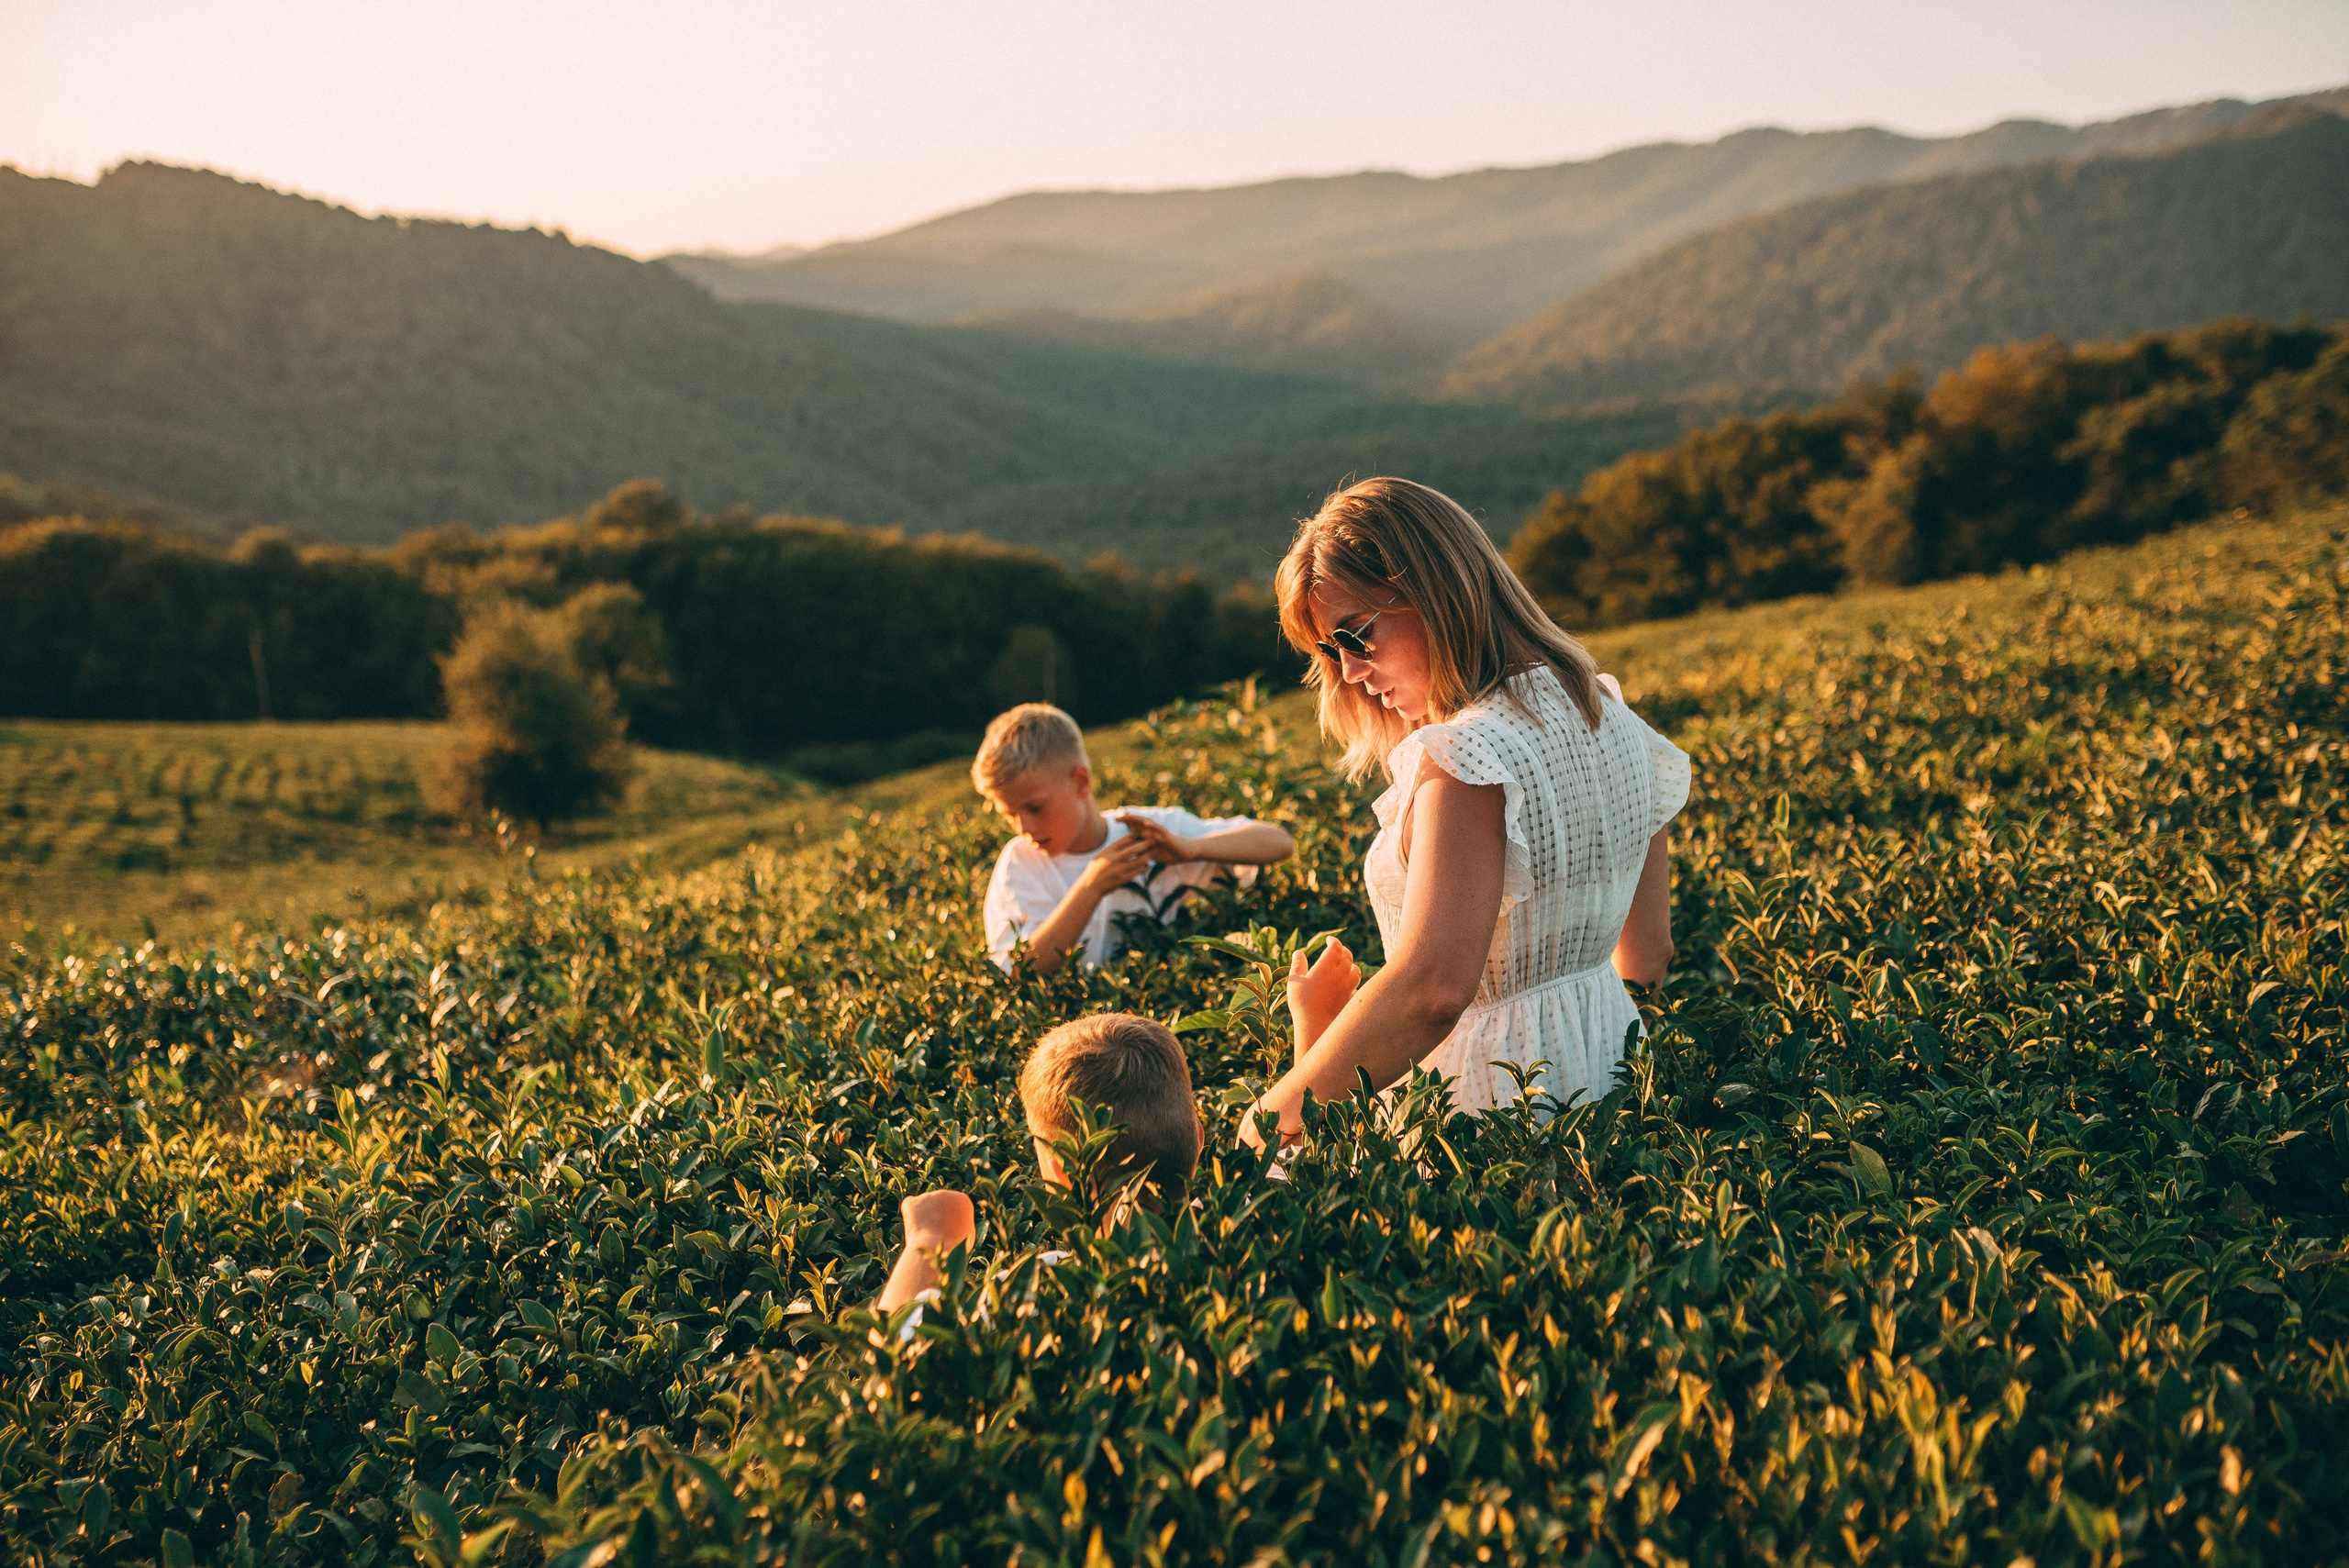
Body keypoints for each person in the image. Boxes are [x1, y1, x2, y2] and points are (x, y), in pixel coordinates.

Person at [1241, 477, 1688, 1149]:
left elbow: (1433, 991)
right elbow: (1648, 955)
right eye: (1332, 654)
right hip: (1611, 1079)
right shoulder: (1615, 718)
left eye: (1356, 637)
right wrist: (1606, 1067)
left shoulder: (1467, 757)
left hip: (1482, 1107)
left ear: (1431, 591)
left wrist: (1266, 1119)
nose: (1353, 673)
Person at [877, 1012, 1205, 1313]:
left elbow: (894, 1357)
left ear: (1063, 1171)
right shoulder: (1245, 1233)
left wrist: (931, 1240)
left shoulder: (1039, 1294)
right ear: (1199, 1137)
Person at [974, 703, 1295, 975]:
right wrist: (1091, 887)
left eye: (1035, 808)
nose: (1023, 827)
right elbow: (1018, 971)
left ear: (1080, 782)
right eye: (1009, 814)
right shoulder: (1021, 863)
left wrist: (1191, 848)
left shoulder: (1151, 830)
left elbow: (1279, 841)